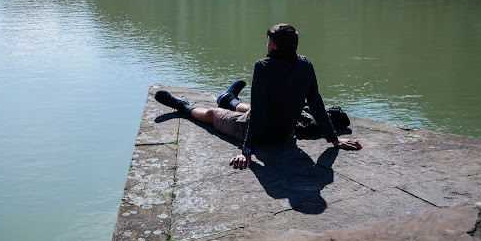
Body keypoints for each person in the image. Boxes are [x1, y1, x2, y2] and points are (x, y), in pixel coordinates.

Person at [155, 23, 362, 170]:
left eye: (268, 42)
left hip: (258, 133)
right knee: (254, 107)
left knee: (213, 113)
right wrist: (334, 139)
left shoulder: (263, 67)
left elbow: (260, 113)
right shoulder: (305, 64)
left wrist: (246, 150)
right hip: (285, 133)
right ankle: (230, 100)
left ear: (273, 46)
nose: (267, 45)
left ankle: (184, 106)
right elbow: (316, 104)